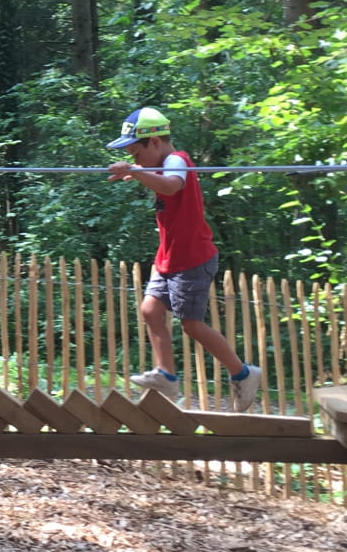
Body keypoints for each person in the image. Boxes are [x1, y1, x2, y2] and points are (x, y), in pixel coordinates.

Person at [105, 106, 263, 412]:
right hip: (169, 257)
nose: (136, 160)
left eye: (137, 153)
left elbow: (173, 185)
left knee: (191, 324)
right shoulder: (161, 166)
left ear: (154, 143)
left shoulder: (177, 160)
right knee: (151, 309)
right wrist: (140, 173)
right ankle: (166, 376)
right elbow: (162, 182)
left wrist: (137, 171)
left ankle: (243, 374)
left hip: (191, 258)